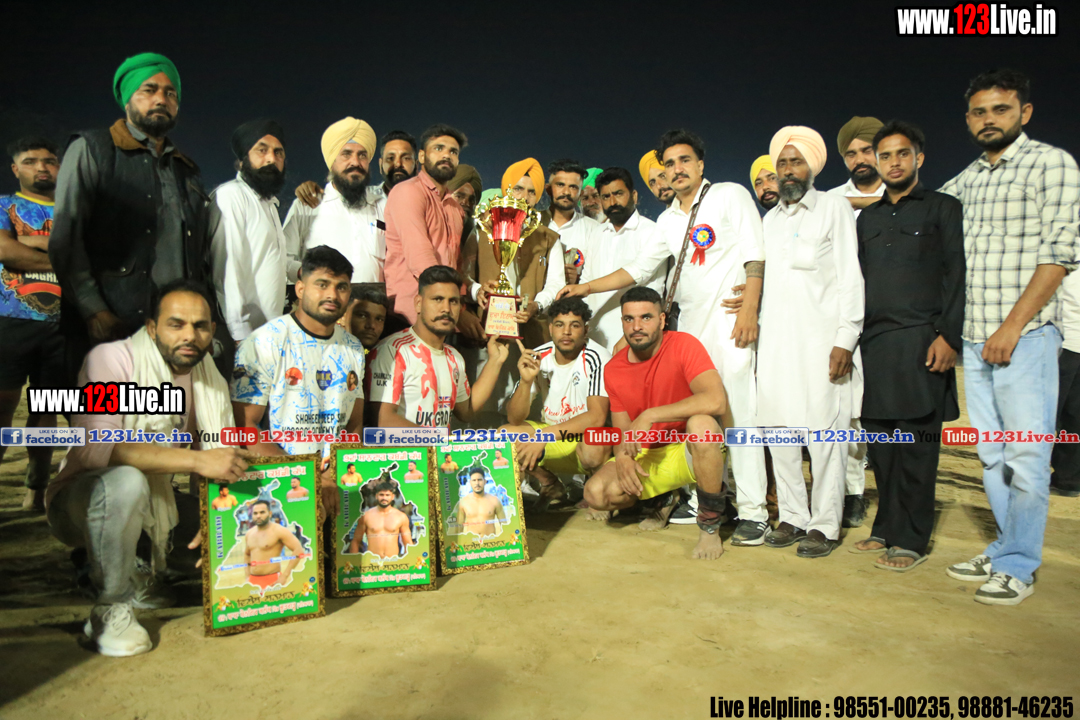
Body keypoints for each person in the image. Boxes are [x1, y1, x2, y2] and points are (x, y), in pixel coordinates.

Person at [560, 130, 768, 545]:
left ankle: (754, 512)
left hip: (729, 323)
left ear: (701, 164)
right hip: (691, 326)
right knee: (695, 418)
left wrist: (750, 306)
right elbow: (638, 269)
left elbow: (754, 251)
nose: (677, 169)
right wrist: (585, 287)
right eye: (669, 164)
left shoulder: (729, 195)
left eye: (684, 160)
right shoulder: (669, 220)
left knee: (737, 414)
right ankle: (709, 498)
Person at [45, 279, 252, 657]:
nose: (189, 335)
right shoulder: (110, 359)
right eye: (176, 324)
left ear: (212, 330)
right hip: (82, 500)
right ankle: (111, 606)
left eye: (200, 326)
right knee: (127, 482)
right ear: (153, 327)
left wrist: (218, 519)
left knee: (240, 542)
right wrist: (197, 460)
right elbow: (96, 449)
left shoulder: (208, 376)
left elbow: (220, 457)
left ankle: (139, 565)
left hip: (158, 504)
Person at [940, 69, 1079, 605]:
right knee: (992, 456)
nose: (988, 119)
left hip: (1027, 339)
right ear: (968, 119)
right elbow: (924, 205)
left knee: (1026, 456)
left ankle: (1019, 565)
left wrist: (1013, 327)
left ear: (1025, 112)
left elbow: (1060, 255)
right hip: (976, 341)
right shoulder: (970, 178)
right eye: (979, 112)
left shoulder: (1052, 164)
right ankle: (1004, 547)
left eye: (1000, 109)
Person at [50, 53, 212, 381]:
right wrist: (93, 309)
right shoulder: (92, 149)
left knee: (165, 411)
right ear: (127, 99)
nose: (161, 99)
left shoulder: (186, 169)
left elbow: (199, 256)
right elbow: (66, 240)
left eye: (170, 93)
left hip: (172, 332)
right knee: (105, 412)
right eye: (148, 90)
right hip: (110, 323)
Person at [851, 121, 964, 571]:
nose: (893, 163)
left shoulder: (943, 208)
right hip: (874, 346)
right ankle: (886, 527)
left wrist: (948, 336)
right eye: (885, 156)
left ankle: (912, 539)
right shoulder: (868, 219)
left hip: (922, 341)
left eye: (902, 154)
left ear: (919, 158)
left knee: (916, 445)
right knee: (881, 446)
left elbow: (957, 274)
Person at [758, 126, 863, 559]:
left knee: (825, 436)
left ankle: (824, 524)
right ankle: (792, 516)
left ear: (812, 167)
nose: (787, 170)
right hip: (775, 345)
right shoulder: (769, 221)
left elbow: (851, 278)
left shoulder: (834, 208)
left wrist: (846, 338)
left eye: (796, 162)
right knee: (778, 431)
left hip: (822, 344)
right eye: (782, 163)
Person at [584, 287, 727, 558]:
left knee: (703, 427)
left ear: (662, 320)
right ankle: (662, 498)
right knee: (596, 493)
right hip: (649, 454)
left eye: (646, 318)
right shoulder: (613, 368)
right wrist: (623, 457)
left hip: (687, 450)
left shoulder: (684, 345)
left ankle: (710, 528)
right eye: (629, 319)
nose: (636, 327)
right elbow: (623, 431)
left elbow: (716, 400)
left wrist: (650, 415)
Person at [231, 246, 366, 518]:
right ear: (300, 288)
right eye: (322, 284)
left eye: (341, 287)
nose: (332, 294)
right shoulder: (264, 342)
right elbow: (245, 427)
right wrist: (306, 478)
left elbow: (354, 425)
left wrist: (333, 474)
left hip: (335, 483)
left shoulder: (353, 348)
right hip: (277, 484)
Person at [0, 136, 62, 511]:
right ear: (15, 168)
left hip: (61, 326)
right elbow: (6, 251)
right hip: (9, 321)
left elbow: (90, 250)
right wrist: (62, 257)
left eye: (49, 160)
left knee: (45, 410)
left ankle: (36, 489)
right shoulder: (3, 204)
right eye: (30, 161)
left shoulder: (74, 208)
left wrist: (30, 242)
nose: (41, 167)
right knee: (3, 407)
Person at [367, 265, 508, 428]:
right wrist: (438, 439)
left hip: (441, 445)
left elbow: (467, 411)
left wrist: (495, 361)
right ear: (418, 303)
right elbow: (383, 421)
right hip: (409, 446)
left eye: (453, 301)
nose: (446, 309)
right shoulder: (393, 350)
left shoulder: (454, 357)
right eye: (437, 299)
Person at [502, 297, 612, 504]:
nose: (566, 332)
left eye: (575, 325)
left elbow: (597, 417)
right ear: (551, 329)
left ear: (586, 330)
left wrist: (544, 435)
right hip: (554, 436)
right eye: (560, 325)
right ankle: (550, 484)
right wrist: (526, 382)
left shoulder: (598, 357)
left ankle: (595, 491)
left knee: (594, 445)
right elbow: (514, 418)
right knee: (505, 435)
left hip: (585, 439)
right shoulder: (539, 356)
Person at [210, 119, 288, 384]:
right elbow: (227, 269)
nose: (271, 158)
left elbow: (269, 258)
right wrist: (239, 334)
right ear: (242, 161)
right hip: (239, 338)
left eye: (278, 152)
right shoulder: (231, 197)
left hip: (266, 336)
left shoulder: (269, 204)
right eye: (261, 150)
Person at [383, 124, 468, 325]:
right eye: (438, 148)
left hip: (445, 315)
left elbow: (456, 264)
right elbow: (420, 258)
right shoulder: (407, 191)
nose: (446, 155)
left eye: (453, 152)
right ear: (421, 156)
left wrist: (461, 307)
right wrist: (457, 311)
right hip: (408, 315)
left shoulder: (455, 207)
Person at [283, 117, 384, 285]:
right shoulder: (307, 205)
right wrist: (307, 274)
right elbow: (283, 258)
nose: (355, 162)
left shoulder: (381, 205)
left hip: (373, 300)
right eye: (346, 154)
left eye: (362, 155)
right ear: (332, 162)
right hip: (322, 300)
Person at [581, 168, 666, 351]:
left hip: (635, 339)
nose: (612, 202)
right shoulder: (597, 233)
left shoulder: (652, 231)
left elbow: (638, 274)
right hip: (594, 338)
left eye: (618, 194)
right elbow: (587, 278)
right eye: (606, 197)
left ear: (634, 196)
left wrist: (628, 339)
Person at [292, 130, 418, 211]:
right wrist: (308, 189)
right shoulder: (363, 199)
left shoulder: (427, 201)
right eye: (390, 158)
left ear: (417, 165)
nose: (398, 164)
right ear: (380, 165)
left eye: (406, 158)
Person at [545, 158, 603, 285]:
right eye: (560, 185)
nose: (566, 192)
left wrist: (577, 280)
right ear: (548, 189)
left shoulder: (594, 229)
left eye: (573, 187)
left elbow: (600, 276)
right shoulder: (533, 224)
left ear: (580, 193)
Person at [830, 116, 886, 216]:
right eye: (851, 154)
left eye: (867, 151)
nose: (859, 160)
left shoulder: (903, 195)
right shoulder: (830, 199)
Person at [245, 500, 304, 592]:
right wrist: (247, 576)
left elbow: (298, 550)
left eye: (262, 512)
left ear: (270, 513)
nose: (258, 516)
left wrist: (285, 576)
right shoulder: (249, 533)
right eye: (255, 513)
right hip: (253, 581)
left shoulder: (279, 530)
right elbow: (247, 554)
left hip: (272, 580)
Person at [348, 482, 413, 557]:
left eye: (387, 495)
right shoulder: (366, 516)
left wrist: (410, 561)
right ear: (376, 496)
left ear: (393, 497)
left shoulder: (401, 517)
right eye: (381, 495)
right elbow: (355, 541)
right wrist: (354, 561)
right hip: (372, 561)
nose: (384, 498)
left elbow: (408, 543)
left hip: (393, 560)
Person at [452, 467, 507, 538]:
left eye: (479, 480)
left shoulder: (494, 501)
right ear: (470, 482)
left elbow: (505, 525)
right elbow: (458, 529)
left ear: (485, 481)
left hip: (490, 541)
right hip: (471, 542)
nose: (477, 483)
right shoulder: (463, 502)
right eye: (474, 480)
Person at [347, 286, 390, 350]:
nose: (372, 325)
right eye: (362, 316)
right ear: (343, 316)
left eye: (379, 319)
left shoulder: (389, 351)